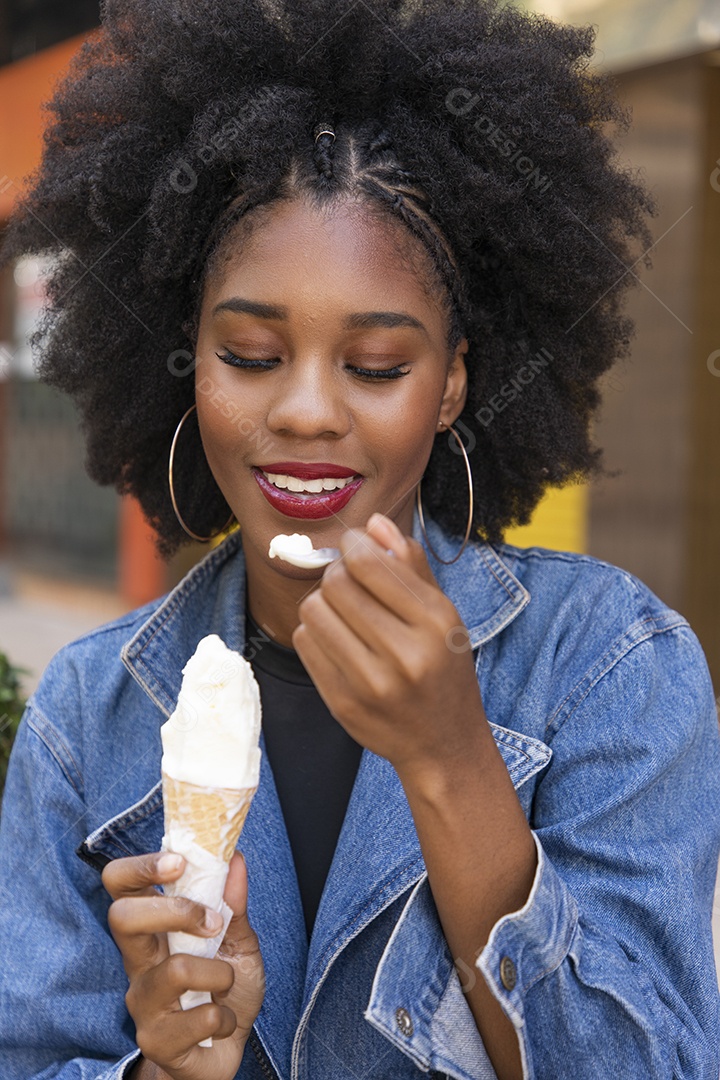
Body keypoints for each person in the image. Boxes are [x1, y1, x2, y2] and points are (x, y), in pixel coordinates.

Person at [0, 0, 718, 1077]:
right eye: (249, 353)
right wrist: (167, 1065)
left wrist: (452, 762)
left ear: (452, 382)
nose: (305, 412)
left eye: (377, 365)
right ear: (187, 359)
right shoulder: (85, 716)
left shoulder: (616, 668)